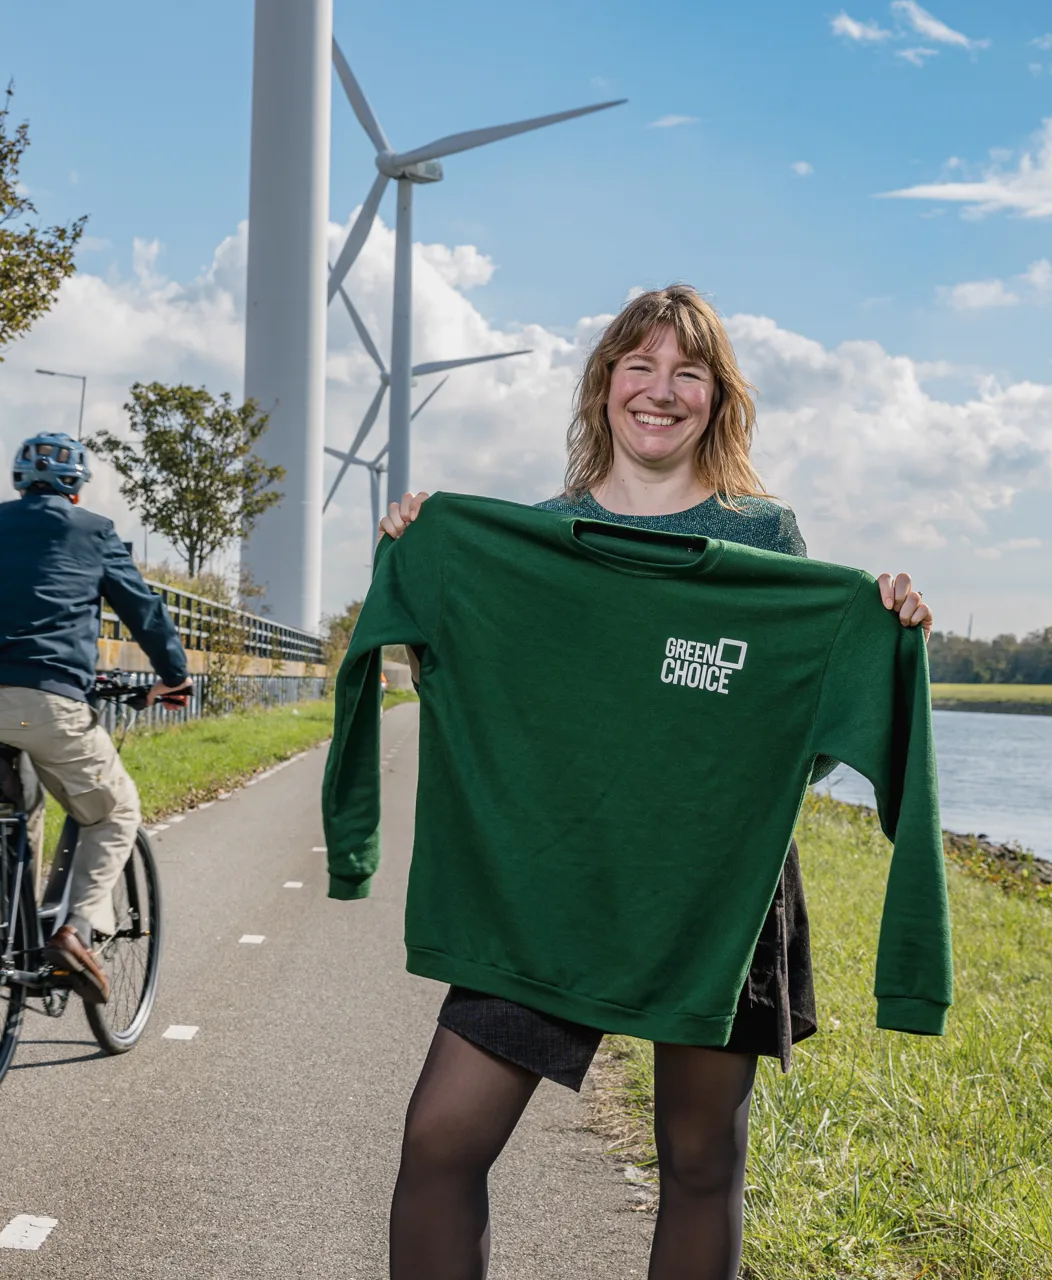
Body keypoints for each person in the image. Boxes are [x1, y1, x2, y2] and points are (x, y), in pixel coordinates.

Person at [372, 285, 933, 1280]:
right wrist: (420, 561)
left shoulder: (767, 542)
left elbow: (792, 731)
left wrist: (880, 628)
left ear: (716, 400)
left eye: (689, 373)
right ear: (604, 387)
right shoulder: (530, 539)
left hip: (718, 889)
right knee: (440, 1137)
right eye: (641, 366)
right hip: (551, 883)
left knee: (702, 1157)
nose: (662, 390)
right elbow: (464, 690)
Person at [0, 431, 191, 1004]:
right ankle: (74, 932)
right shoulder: (94, 531)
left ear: (19, 480)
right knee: (114, 808)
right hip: (46, 706)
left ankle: (13, 939)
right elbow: (144, 613)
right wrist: (173, 676)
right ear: (77, 487)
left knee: (18, 806)